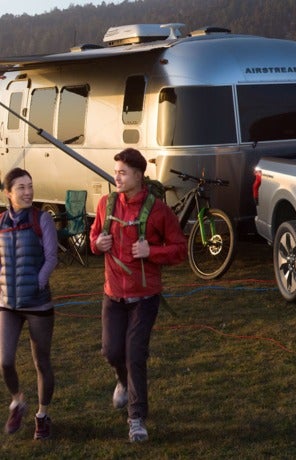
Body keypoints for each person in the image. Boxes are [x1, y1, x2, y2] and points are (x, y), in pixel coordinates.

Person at [89, 148, 185, 442]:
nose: (116, 176)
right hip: (113, 294)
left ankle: (136, 418)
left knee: (135, 355)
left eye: (122, 172)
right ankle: (121, 380)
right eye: (116, 171)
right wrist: (98, 244)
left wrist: (151, 252)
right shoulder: (106, 204)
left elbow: (180, 248)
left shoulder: (158, 210)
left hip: (145, 297)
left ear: (138, 176)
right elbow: (93, 239)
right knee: (111, 351)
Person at [0, 168, 58, 440]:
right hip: (8, 305)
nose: (27, 192)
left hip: (37, 305)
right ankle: (17, 401)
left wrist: (38, 282)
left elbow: (51, 257)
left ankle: (42, 415)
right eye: (21, 187)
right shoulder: (1, 222)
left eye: (30, 186)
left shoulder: (41, 219)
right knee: (5, 361)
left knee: (41, 362)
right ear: (8, 193)